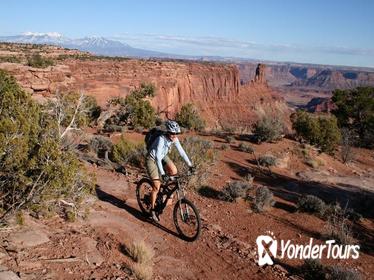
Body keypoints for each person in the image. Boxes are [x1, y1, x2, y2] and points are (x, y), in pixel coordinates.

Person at [146, 120, 193, 222]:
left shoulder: (174, 139)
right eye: (172, 133)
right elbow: (157, 158)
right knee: (156, 186)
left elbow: (182, 153)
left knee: (174, 170)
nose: (174, 135)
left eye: (176, 133)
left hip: (163, 157)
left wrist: (190, 165)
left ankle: (166, 190)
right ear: (168, 132)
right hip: (152, 159)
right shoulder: (161, 139)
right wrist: (163, 174)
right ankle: (152, 210)